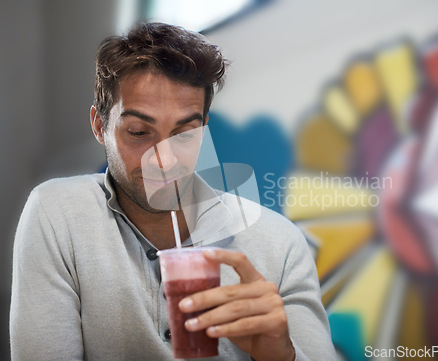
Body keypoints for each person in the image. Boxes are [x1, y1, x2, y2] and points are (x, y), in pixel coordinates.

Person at [10, 22, 336, 361]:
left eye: (185, 133)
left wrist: (283, 356)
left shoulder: (279, 244)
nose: (164, 160)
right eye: (139, 132)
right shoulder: (57, 214)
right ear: (99, 125)